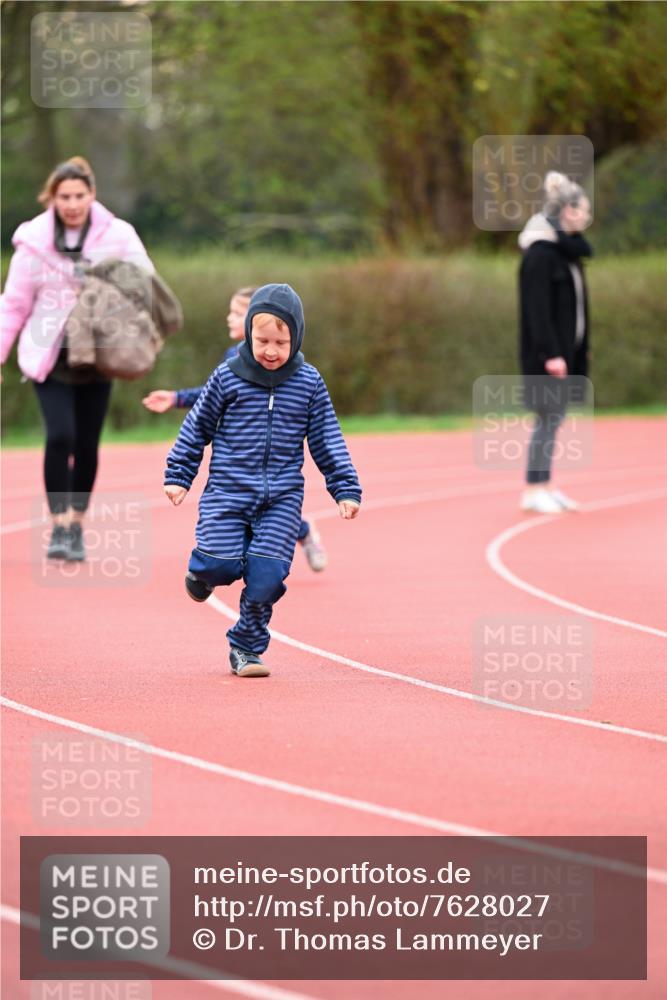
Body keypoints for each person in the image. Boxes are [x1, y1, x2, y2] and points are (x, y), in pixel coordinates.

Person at [163, 283, 361, 678]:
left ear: (297, 337)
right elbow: (196, 426)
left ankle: (246, 647)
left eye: (281, 341)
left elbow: (327, 437)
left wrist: (345, 486)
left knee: (267, 576)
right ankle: (201, 574)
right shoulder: (227, 376)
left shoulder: (308, 383)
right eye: (262, 339)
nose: (271, 350)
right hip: (228, 491)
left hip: (282, 499)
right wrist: (179, 474)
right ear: (250, 332)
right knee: (220, 563)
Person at [0, 156, 154, 559]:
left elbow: (145, 281)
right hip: (49, 355)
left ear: (92, 195)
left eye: (79, 195)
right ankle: (59, 526)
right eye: (64, 196)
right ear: (51, 197)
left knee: (87, 442)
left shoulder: (118, 235)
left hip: (99, 354)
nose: (71, 203)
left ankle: (77, 527)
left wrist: (105, 284)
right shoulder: (33, 242)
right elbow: (13, 304)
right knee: (60, 436)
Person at [143, 285, 328, 571]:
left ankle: (301, 535)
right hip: (236, 448)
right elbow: (213, 392)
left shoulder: (282, 359)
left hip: (269, 451)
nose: (229, 318)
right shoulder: (235, 356)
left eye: (236, 313)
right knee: (242, 502)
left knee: (269, 504)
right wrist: (176, 398)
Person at [517, 170, 593, 514]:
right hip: (548, 358)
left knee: (554, 419)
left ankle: (547, 485)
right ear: (565, 212)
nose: (587, 216)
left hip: (567, 355)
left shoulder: (567, 253)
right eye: (582, 210)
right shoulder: (540, 255)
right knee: (546, 418)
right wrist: (551, 353)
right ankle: (533, 489)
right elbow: (537, 311)